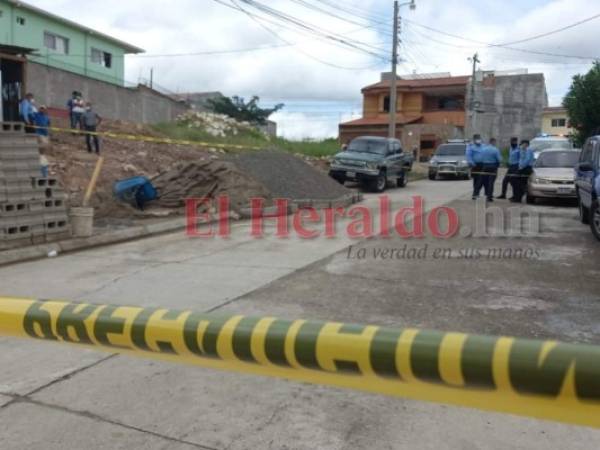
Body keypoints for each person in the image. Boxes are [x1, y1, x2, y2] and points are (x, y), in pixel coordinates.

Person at [466, 134, 485, 199]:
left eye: (479, 138)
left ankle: (475, 193)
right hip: (475, 165)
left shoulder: (483, 146)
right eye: (477, 138)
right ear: (474, 139)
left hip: (483, 165)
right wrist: (472, 163)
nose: (478, 140)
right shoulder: (470, 146)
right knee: (476, 180)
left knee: (480, 180)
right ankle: (476, 193)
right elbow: (468, 156)